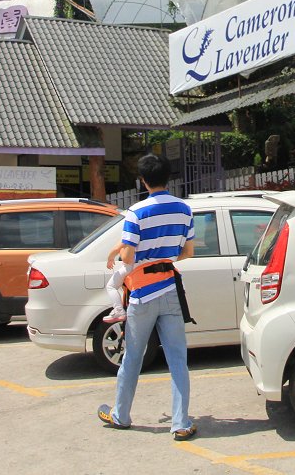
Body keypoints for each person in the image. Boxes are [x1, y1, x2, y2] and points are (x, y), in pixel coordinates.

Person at [97, 153, 197, 441]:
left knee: (133, 357)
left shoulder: (136, 212)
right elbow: (188, 252)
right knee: (178, 358)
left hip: (141, 293)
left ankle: (121, 415)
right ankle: (180, 423)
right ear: (169, 178)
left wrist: (124, 253)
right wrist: (164, 257)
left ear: (143, 180)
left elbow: (128, 254)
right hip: (169, 288)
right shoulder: (184, 210)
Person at [103, 238, 129, 324]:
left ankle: (119, 310)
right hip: (141, 265)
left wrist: (110, 258)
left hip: (129, 266)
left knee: (111, 286)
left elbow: (117, 247)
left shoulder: (130, 230)